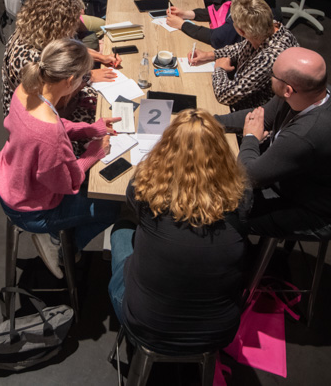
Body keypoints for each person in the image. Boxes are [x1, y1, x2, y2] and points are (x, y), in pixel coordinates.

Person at [108, 110, 251, 355]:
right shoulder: (241, 200)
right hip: (218, 334)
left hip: (146, 328)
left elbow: (133, 200)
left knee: (122, 229)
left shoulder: (145, 193)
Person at [0, 38, 122, 278]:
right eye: (83, 78)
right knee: (113, 209)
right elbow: (69, 182)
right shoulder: (49, 134)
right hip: (32, 209)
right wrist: (95, 152)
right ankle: (60, 244)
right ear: (70, 81)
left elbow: (54, 123)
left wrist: (89, 129)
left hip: (12, 183)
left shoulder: (26, 89)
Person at [216, 47, 331, 239]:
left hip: (318, 213)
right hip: (294, 184)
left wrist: (250, 137)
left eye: (273, 75)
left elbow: (248, 175)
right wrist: (209, 122)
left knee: (222, 213)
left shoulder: (308, 133)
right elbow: (260, 117)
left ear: (288, 90)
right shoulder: (307, 93)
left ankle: (246, 264)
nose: (270, 78)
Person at [2, 0, 118, 119]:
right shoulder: (33, 59)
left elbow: (68, 47)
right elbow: (53, 101)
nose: (74, 29)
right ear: (60, 26)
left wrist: (100, 57)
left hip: (55, 96)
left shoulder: (32, 31)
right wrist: (88, 77)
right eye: (73, 24)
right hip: (37, 114)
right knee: (102, 110)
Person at [182, 0, 299, 111]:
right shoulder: (268, 26)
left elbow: (226, 95)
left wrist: (219, 70)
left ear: (241, 31)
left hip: (252, 111)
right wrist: (209, 55)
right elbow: (241, 47)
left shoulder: (269, 58)